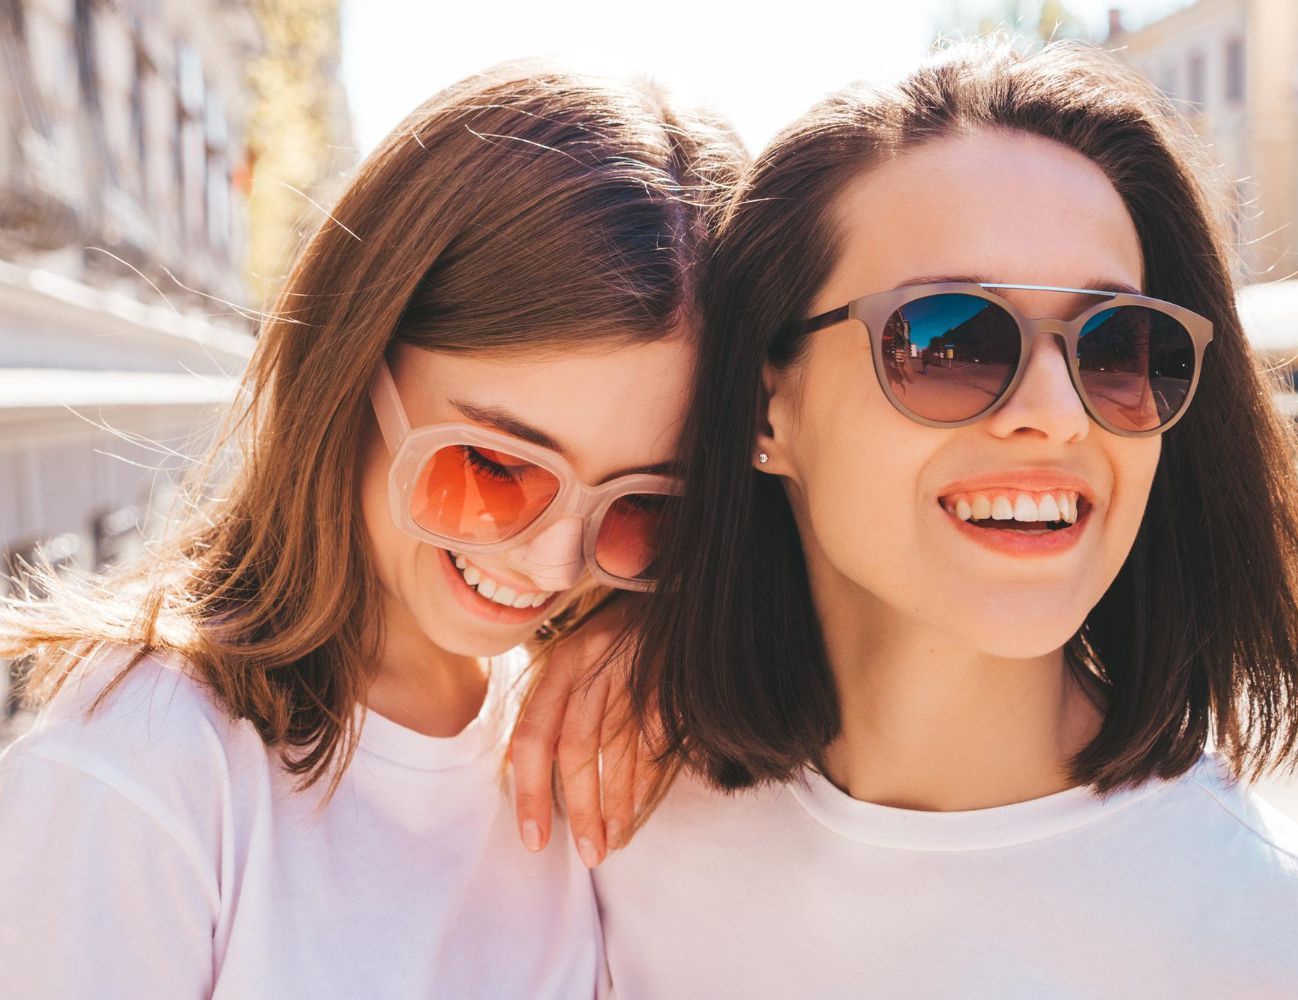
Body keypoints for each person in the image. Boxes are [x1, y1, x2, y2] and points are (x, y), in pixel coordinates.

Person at [588, 39, 1298, 998]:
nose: (1056, 410)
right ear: (763, 409)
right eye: (947, 339)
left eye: (1120, 347)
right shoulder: (599, 826)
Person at [0, 63, 742, 997]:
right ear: (354, 371)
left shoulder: (601, 733)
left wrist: (660, 636)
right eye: (497, 468)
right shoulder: (139, 768)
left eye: (642, 508)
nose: (555, 558)